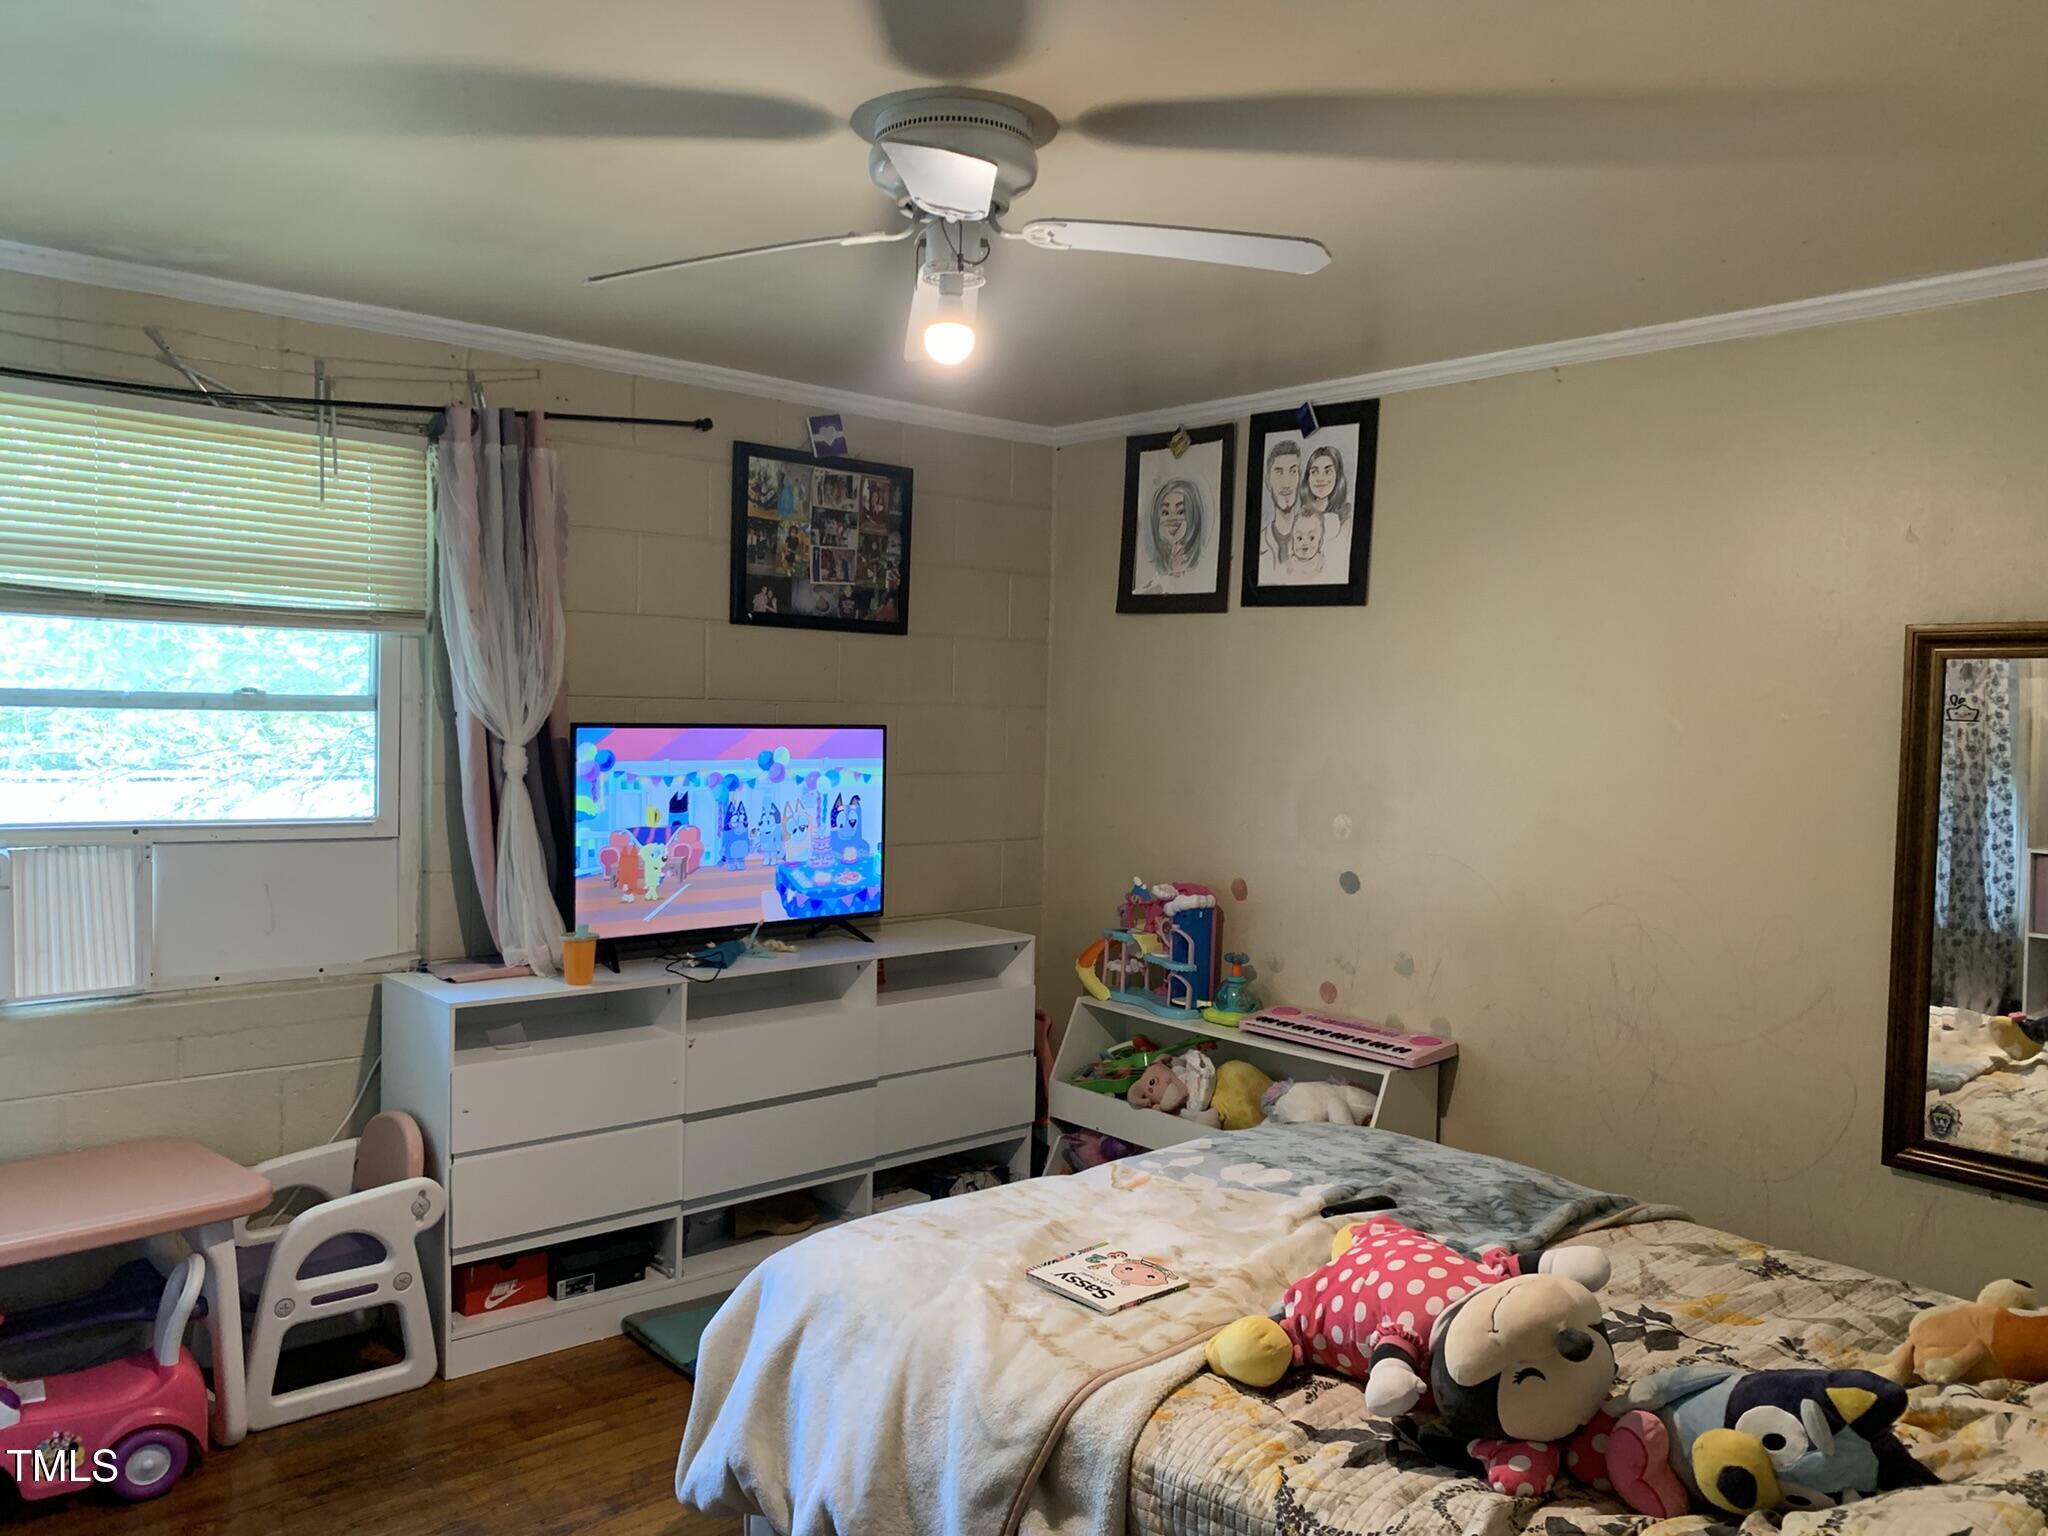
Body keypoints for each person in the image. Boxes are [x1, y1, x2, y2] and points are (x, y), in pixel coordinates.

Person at [1134, 476, 1208, 595]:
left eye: (1181, 512)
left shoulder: (1196, 570)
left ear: (1194, 516)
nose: (1172, 518)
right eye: (1165, 512)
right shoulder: (1162, 567)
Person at [1260, 439, 1304, 576]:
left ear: (1300, 478)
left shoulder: (1313, 538)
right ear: (1268, 481)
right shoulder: (1260, 542)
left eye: (1292, 472)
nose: (1286, 483)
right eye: (1279, 472)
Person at [1303, 444, 1350, 525]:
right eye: (1314, 472)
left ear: (1338, 476)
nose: (1320, 479)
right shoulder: (1300, 518)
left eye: (1328, 472)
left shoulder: (1345, 520)